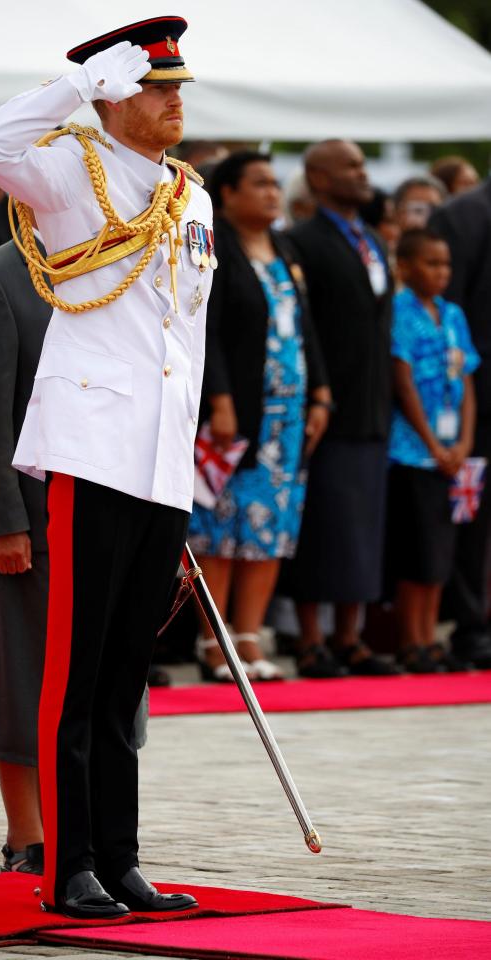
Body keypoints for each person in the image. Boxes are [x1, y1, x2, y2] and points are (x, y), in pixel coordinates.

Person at [0, 17, 211, 920]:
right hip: (91, 448)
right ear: (118, 96)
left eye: (180, 87)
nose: (176, 100)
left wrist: (190, 472)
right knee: (72, 670)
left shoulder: (192, 196)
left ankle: (122, 855)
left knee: (123, 675)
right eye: (158, 87)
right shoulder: (72, 171)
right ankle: (68, 866)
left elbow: (184, 336)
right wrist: (77, 87)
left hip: (158, 461)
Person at [0, 226, 149, 874]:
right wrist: (3, 521)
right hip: (33, 521)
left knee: (104, 679)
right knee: (23, 679)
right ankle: (28, 836)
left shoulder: (118, 270)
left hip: (114, 510)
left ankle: (89, 831)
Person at [188, 151, 331, 681]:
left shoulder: (285, 248)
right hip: (238, 413)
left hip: (287, 418)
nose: (273, 192)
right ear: (228, 193)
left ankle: (249, 641)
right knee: (222, 529)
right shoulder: (214, 245)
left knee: (271, 528)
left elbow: (305, 328)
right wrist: (219, 400)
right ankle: (214, 642)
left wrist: (320, 394)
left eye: (276, 184)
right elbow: (209, 329)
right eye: (260, 183)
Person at [283, 140, 400, 678]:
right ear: (320, 179)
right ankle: (311, 640)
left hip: (374, 406)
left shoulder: (372, 240)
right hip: (327, 405)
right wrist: (318, 393)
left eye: (362, 163)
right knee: (323, 524)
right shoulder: (302, 242)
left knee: (363, 525)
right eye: (350, 166)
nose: (362, 173)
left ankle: (350, 637)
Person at [387, 229, 479, 672]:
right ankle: (412, 640)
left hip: (452, 454)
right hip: (413, 452)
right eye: (431, 263)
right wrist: (432, 444)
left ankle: (430, 640)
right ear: (405, 266)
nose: (441, 273)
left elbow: (467, 384)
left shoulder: (453, 315)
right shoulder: (399, 312)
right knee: (417, 550)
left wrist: (462, 442)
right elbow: (403, 384)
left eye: (446, 265)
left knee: (443, 550)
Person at [429, 178, 491, 669]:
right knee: (475, 522)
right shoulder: (463, 215)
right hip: (476, 398)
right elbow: (453, 311)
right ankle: (473, 629)